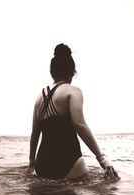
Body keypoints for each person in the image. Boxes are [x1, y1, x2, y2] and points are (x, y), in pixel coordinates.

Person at [28, 43, 119, 180]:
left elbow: (35, 133)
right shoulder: (73, 91)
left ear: (52, 72)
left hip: (42, 166)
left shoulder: (39, 98)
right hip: (69, 162)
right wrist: (101, 159)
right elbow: (80, 125)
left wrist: (32, 162)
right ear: (72, 72)